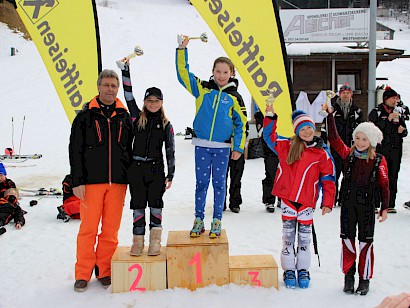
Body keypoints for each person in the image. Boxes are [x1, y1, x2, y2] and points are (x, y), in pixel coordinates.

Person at [176, 35, 247, 238]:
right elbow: (183, 75)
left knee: (219, 184)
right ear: (213, 72)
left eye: (225, 72)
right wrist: (182, 50)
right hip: (202, 145)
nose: (221, 75)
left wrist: (238, 148)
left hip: (222, 148)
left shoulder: (235, 97)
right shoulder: (203, 89)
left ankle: (217, 220)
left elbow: (240, 124)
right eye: (218, 71)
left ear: (232, 73)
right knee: (201, 183)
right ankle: (199, 220)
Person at [69, 69, 133, 292]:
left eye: (113, 86)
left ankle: (105, 270)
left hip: (118, 182)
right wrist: (76, 181)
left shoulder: (125, 117)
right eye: (106, 85)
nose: (110, 89)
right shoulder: (84, 117)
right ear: (98, 87)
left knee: (110, 230)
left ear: (117, 89)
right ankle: (83, 274)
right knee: (88, 229)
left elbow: (130, 149)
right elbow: (75, 150)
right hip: (91, 183)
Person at [263, 107, 336, 289]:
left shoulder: (321, 153)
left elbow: (328, 179)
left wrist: (328, 202)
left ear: (314, 128)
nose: (306, 132)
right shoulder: (287, 146)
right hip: (288, 201)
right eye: (302, 129)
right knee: (288, 237)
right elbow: (269, 137)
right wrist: (271, 117)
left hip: (306, 203)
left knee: (304, 239)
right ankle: (289, 269)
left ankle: (303, 269)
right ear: (296, 131)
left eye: (309, 128)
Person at [324, 103, 390, 296]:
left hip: (367, 205)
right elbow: (334, 139)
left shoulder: (378, 160)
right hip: (348, 203)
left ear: (372, 141)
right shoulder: (349, 155)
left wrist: (384, 208)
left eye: (364, 139)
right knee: (347, 239)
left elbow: (385, 185)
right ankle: (349, 275)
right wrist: (330, 116)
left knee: (365, 242)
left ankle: (364, 278)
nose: (360, 142)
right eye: (358, 138)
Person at [120, 60, 175, 257]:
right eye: (149, 100)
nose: (152, 104)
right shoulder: (136, 118)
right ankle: (137, 241)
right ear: (145, 102)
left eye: (156, 101)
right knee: (138, 205)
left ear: (161, 103)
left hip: (156, 170)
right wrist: (125, 70)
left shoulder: (166, 124)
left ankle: (155, 242)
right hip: (136, 169)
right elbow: (128, 96)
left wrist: (171, 173)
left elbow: (170, 149)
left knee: (156, 204)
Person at [323, 83, 364, 206]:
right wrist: (324, 145)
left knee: (349, 175)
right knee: (334, 174)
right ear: (339, 95)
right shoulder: (332, 110)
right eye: (343, 93)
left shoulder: (357, 111)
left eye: (347, 92)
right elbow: (326, 128)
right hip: (335, 148)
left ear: (351, 94)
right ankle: (332, 199)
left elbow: (361, 128)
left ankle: (344, 199)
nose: (345, 95)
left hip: (350, 148)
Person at [369, 86, 407, 213]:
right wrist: (387, 121)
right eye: (392, 98)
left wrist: (402, 131)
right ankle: (375, 203)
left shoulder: (398, 112)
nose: (395, 101)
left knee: (393, 176)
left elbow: (404, 131)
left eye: (396, 98)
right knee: (378, 175)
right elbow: (372, 129)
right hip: (381, 149)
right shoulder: (377, 112)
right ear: (385, 99)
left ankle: (390, 204)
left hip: (396, 149)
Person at [254, 110, 280, 212]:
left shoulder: (287, 110)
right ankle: (269, 200)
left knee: (285, 175)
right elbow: (261, 132)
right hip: (270, 148)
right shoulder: (260, 114)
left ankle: (283, 198)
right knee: (271, 174)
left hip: (285, 147)